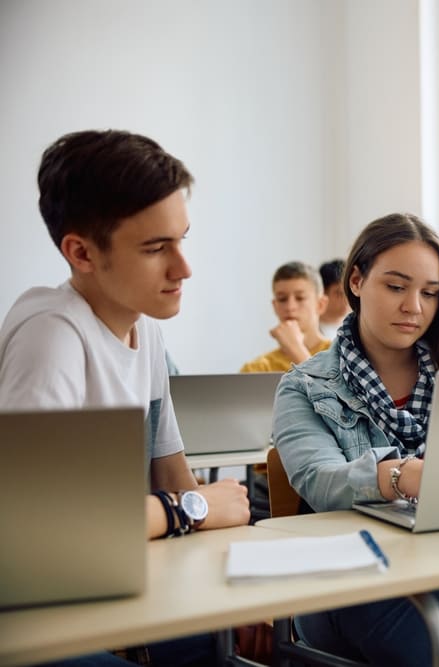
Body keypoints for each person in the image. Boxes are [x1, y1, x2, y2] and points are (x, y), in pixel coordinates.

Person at [0, 129, 251, 666]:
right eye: (157, 248)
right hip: (32, 618)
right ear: (81, 252)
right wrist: (192, 510)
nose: (184, 268)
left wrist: (239, 589)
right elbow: (38, 532)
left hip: (108, 589)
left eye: (182, 240)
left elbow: (171, 474)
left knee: (216, 643)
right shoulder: (52, 334)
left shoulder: (145, 327)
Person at [272, 212, 439, 666]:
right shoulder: (304, 386)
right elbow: (319, 481)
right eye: (397, 287)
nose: (414, 307)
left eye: (430, 293)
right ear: (357, 281)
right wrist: (403, 474)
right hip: (348, 580)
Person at [240, 261, 332, 373]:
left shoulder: (342, 354)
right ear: (275, 306)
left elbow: (326, 385)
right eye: (282, 299)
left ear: (321, 304)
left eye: (300, 298)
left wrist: (296, 348)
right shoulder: (256, 369)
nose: (290, 307)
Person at [318, 258, 351, 337]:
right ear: (323, 293)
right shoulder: (309, 330)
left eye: (348, 292)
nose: (346, 299)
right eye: (339, 294)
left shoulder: (357, 328)